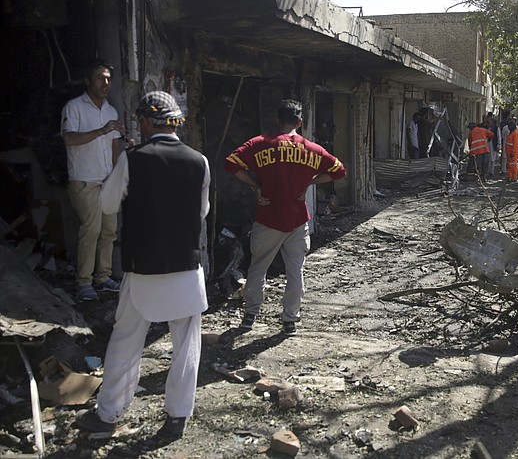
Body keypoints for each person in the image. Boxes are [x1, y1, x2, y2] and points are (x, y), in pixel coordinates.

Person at [75, 91, 210, 441]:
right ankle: (178, 417)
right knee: (186, 346)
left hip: (144, 268)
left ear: (147, 122)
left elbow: (106, 205)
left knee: (125, 342)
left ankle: (109, 414)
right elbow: (202, 212)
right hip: (186, 267)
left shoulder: (134, 158)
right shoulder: (199, 161)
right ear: (175, 122)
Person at [225, 99, 347, 334]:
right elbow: (338, 171)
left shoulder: (259, 144)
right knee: (295, 271)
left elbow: (231, 163)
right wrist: (310, 182)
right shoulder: (312, 149)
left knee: (258, 267)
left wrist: (254, 186)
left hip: (268, 217)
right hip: (298, 220)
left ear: (277, 120)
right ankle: (290, 319)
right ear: (299, 122)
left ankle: (250, 315)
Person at [61, 59, 125, 301]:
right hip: (84, 180)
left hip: (107, 180)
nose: (105, 83)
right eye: (99, 77)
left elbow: (115, 145)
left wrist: (119, 175)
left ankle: (103, 277)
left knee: (109, 231)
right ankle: (84, 282)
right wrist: (101, 130)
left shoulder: (110, 110)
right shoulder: (74, 107)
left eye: (108, 78)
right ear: (88, 81)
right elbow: (69, 139)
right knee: (91, 230)